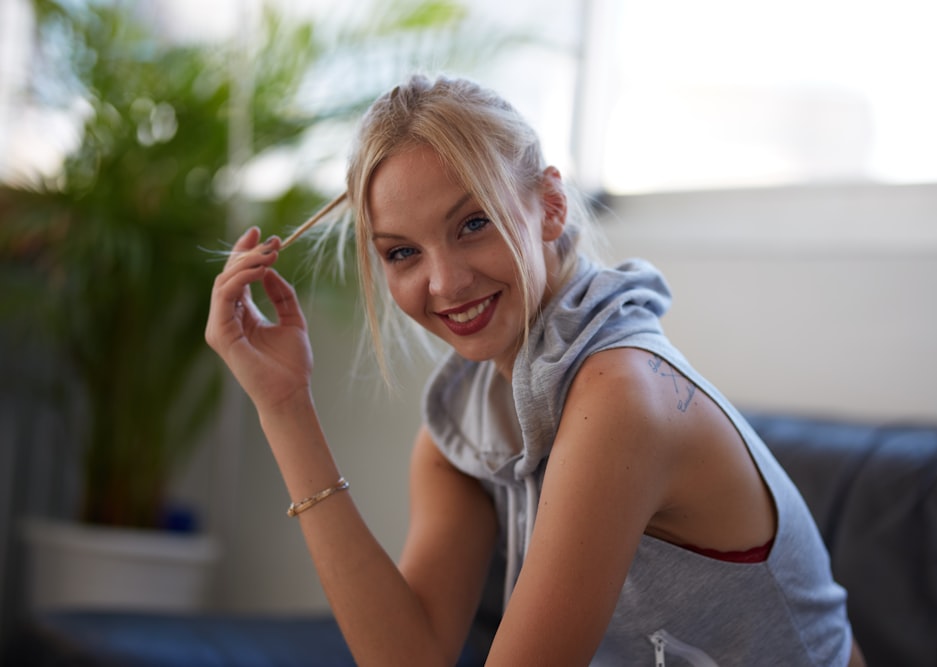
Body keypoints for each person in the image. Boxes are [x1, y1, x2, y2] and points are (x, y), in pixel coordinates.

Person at [206, 74, 865, 666]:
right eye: (403, 252)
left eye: (472, 223)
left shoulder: (620, 396)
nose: (444, 281)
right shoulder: (464, 423)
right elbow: (410, 656)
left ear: (549, 203)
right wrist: (284, 406)